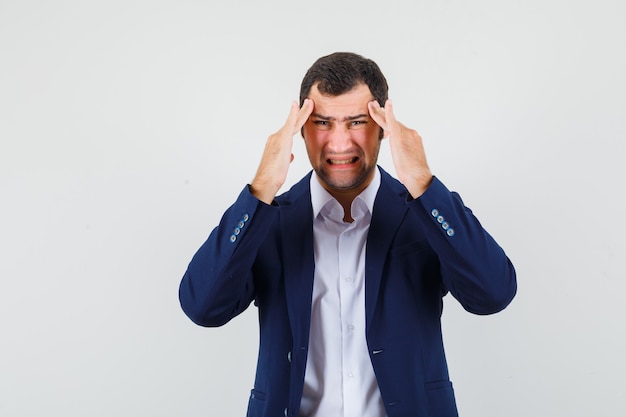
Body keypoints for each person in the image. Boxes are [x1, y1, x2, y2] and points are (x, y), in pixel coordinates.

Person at [179, 52, 517, 417]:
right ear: (301, 129)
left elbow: (493, 294)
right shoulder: (269, 220)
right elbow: (202, 307)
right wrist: (260, 188)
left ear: (384, 127)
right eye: (323, 122)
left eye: (356, 122)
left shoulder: (423, 213)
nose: (339, 144)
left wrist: (422, 181)